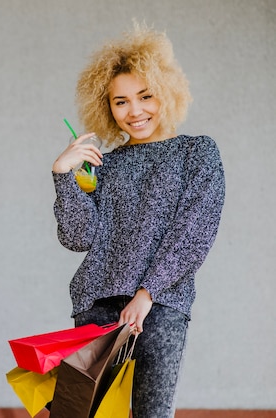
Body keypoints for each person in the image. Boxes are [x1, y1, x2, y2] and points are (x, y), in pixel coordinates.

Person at [51, 23, 225, 417]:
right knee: (80, 414)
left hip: (160, 306)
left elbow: (194, 233)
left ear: (166, 92)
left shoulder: (197, 154)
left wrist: (146, 294)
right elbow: (78, 238)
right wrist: (64, 176)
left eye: (145, 96)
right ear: (107, 107)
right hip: (96, 309)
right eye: (121, 101)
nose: (135, 111)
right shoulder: (104, 167)